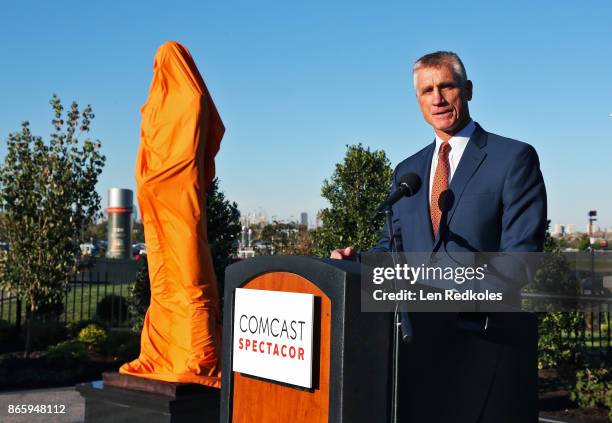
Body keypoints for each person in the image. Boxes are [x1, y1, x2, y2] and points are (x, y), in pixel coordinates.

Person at [331, 51, 546, 422]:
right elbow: (393, 248)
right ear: (418, 101)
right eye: (427, 90)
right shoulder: (408, 171)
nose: (438, 98)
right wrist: (358, 263)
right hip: (417, 353)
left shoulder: (513, 158)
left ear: (469, 90)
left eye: (447, 86)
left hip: (485, 347)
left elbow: (519, 261)